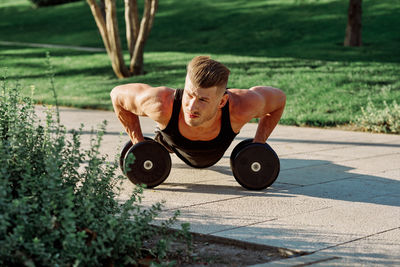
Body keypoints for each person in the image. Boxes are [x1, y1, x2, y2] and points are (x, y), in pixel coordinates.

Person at [110, 56, 286, 168]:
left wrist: (259, 144)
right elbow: (116, 95)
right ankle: (160, 140)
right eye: (189, 95)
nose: (192, 106)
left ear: (222, 101)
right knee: (161, 139)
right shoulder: (161, 104)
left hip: (217, 148)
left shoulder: (241, 107)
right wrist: (139, 145)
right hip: (170, 142)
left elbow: (279, 99)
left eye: (203, 100)